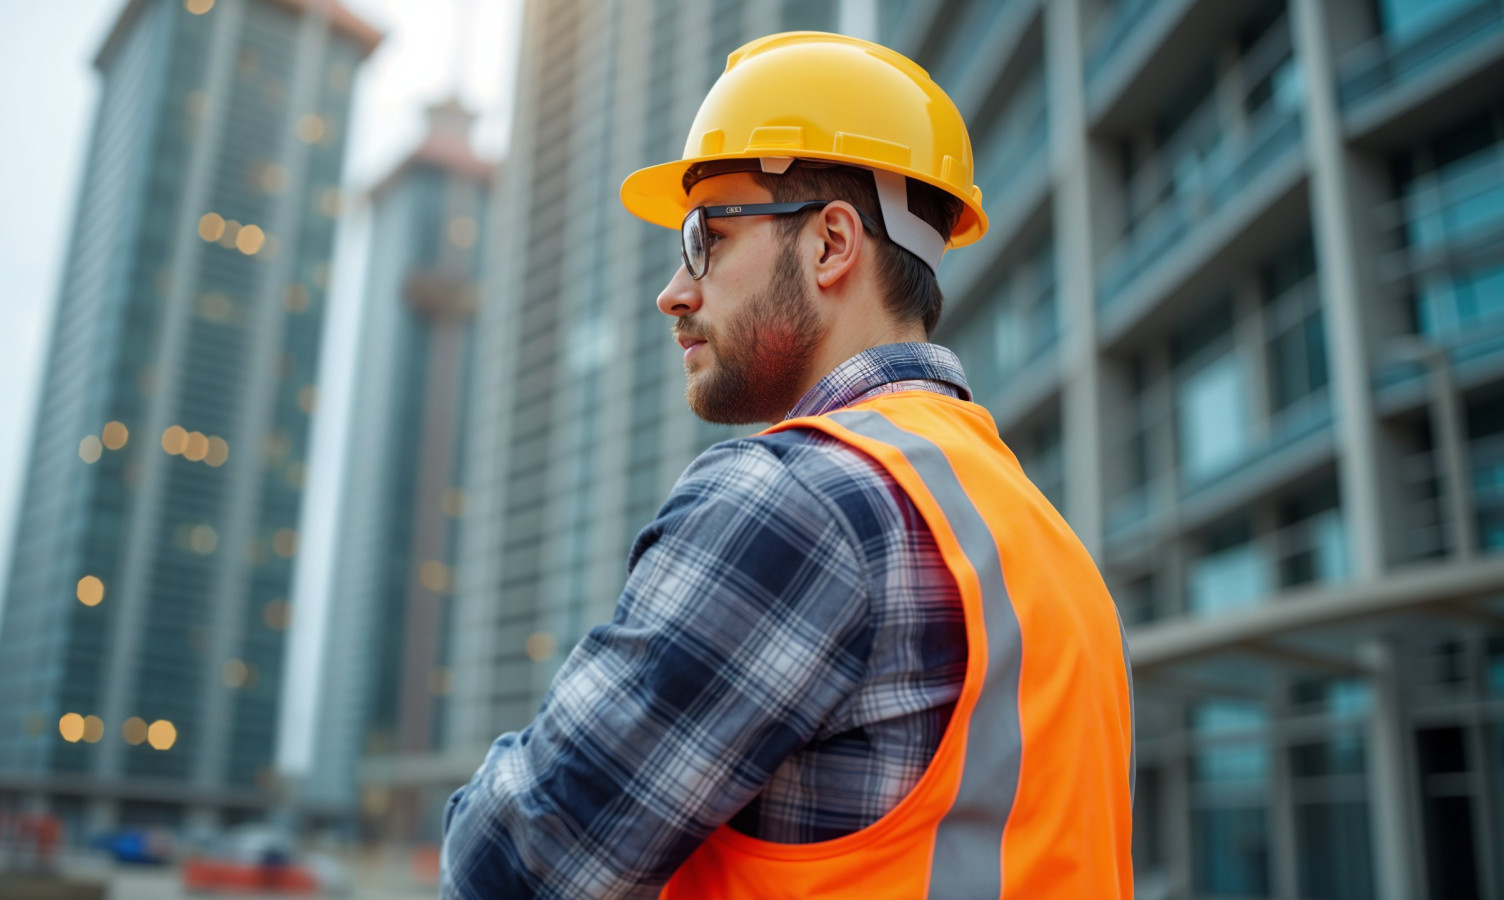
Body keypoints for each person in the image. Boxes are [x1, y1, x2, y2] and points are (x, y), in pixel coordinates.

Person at [441, 32, 1133, 899]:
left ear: (831, 245)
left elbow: (516, 866)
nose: (674, 291)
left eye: (707, 236)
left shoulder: (798, 499)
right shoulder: (1047, 545)